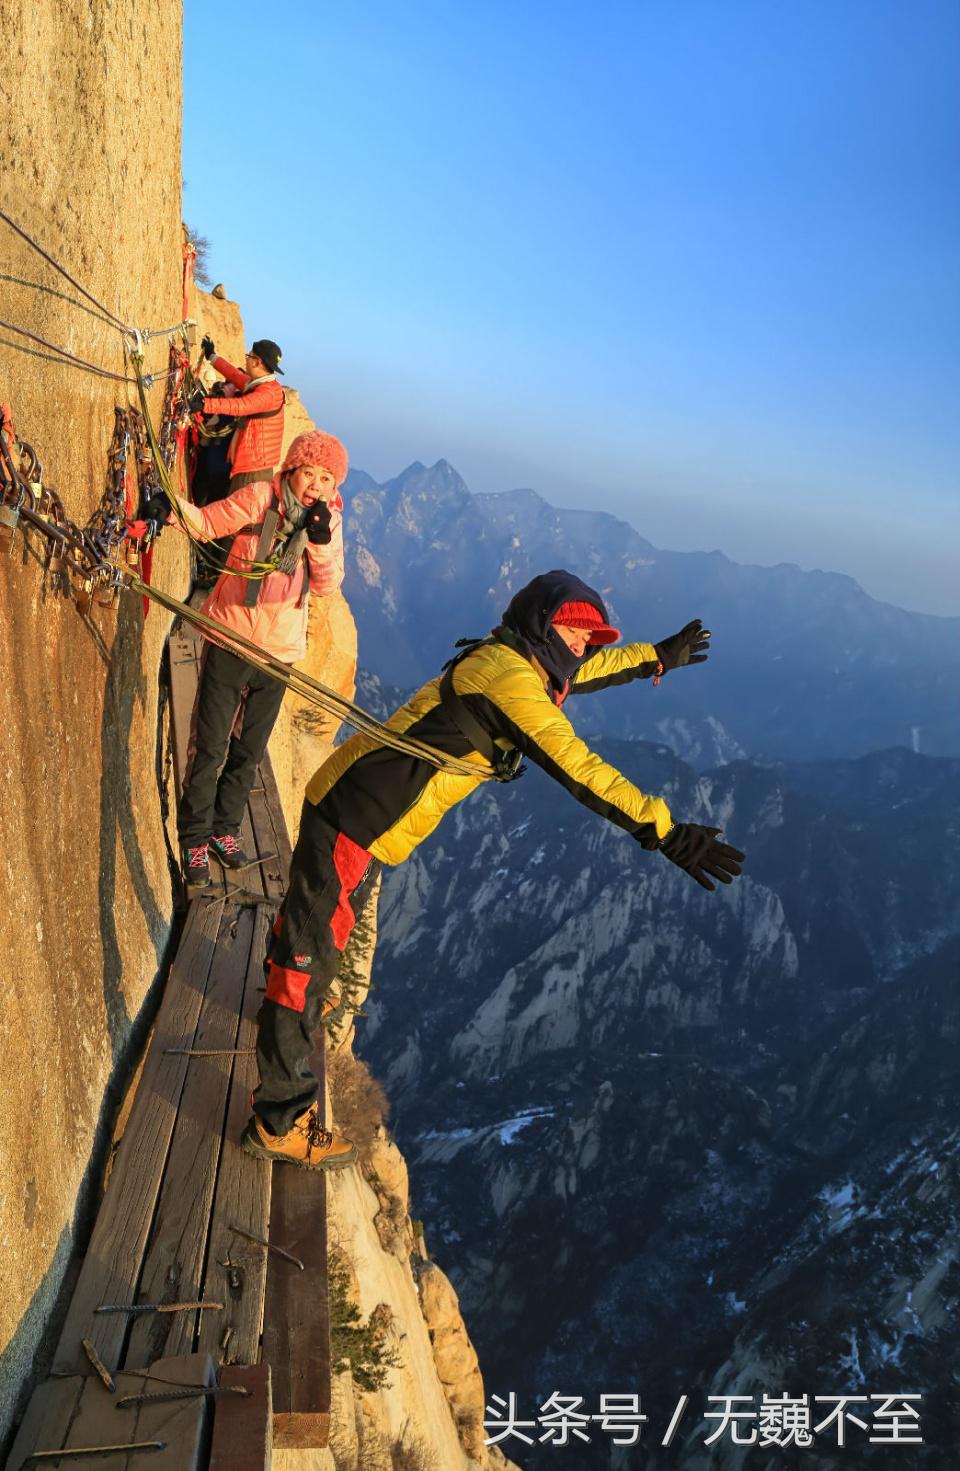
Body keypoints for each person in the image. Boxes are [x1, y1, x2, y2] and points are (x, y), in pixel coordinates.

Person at [242, 569, 745, 1171]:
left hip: (368, 815)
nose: (587, 646)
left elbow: (583, 672)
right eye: (578, 632)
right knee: (309, 957)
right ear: (544, 625)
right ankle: (278, 1119)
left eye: (593, 637)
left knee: (322, 928)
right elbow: (579, 767)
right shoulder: (511, 683)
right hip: (359, 817)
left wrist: (653, 658)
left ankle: (286, 1006)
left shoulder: (515, 658)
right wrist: (666, 832)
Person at [146, 429, 349, 888]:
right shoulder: (262, 497)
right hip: (231, 637)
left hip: (279, 656)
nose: (316, 486)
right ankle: (195, 837)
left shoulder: (329, 524)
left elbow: (328, 585)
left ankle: (225, 829)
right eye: (309, 473)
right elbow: (209, 522)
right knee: (211, 743)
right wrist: (171, 509)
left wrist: (317, 543)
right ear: (291, 470)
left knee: (249, 750)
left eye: (327, 479)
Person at [195, 336, 286, 492]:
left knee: (235, 511)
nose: (246, 359)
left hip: (252, 472)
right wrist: (213, 357)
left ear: (257, 362)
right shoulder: (263, 385)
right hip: (252, 466)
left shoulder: (268, 393)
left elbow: (241, 406)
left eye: (249, 356)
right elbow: (236, 376)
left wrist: (204, 404)